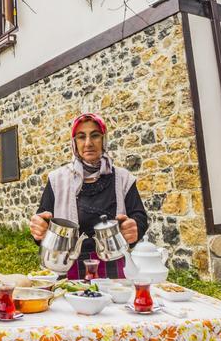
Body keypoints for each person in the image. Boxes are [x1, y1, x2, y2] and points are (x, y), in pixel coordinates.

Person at [29, 112, 149, 279]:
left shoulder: (123, 178)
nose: (88, 143)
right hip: (68, 265)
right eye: (81, 137)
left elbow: (140, 217)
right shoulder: (57, 179)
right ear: (74, 143)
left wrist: (135, 227)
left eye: (95, 135)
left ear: (104, 139)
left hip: (114, 266)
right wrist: (39, 229)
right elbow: (44, 219)